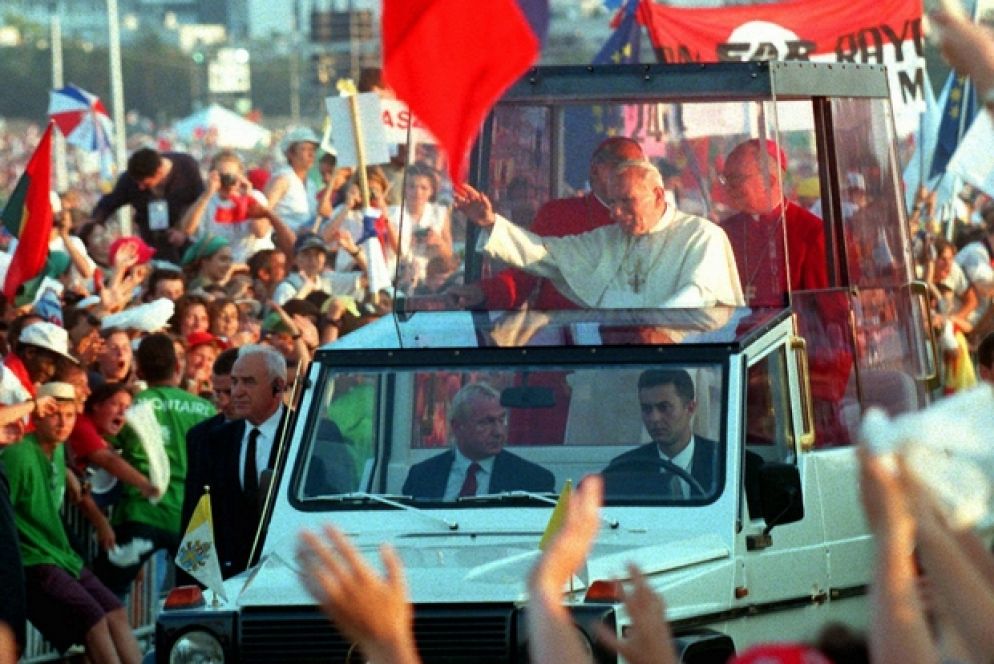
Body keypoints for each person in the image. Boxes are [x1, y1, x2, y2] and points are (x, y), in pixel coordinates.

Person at [456, 160, 743, 309]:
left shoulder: (702, 236)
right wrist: (490, 222)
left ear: (657, 195)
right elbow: (547, 255)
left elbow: (698, 294)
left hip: (675, 369)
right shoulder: (607, 239)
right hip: (610, 369)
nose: (615, 213)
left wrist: (651, 324)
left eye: (626, 201)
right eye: (613, 202)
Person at [1, 382, 142, 664]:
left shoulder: (58, 450)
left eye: (69, 414)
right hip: (33, 560)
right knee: (94, 620)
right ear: (38, 416)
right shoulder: (18, 455)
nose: (63, 422)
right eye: (55, 414)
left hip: (60, 555)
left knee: (115, 611)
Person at [450, 136, 645, 310]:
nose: (632, 174)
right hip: (563, 338)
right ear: (595, 171)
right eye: (623, 165)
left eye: (641, 168)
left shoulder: (653, 218)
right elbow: (524, 275)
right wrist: (483, 293)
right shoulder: (558, 214)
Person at [93, 333, 215, 596]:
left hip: (142, 514)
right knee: (202, 598)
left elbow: (100, 440)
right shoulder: (206, 409)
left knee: (102, 595)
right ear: (178, 367)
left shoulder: (133, 405)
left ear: (139, 369)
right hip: (191, 519)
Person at [197, 345, 288, 578]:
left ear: (278, 387)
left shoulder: (308, 434)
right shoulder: (213, 440)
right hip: (227, 582)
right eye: (234, 381)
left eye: (248, 382)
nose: (236, 392)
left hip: (289, 576)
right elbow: (197, 519)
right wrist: (191, 590)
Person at [719, 139, 828, 306]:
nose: (727, 188)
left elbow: (819, 311)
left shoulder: (812, 233)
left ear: (769, 181)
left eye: (735, 179)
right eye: (725, 180)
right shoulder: (723, 233)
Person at [401, 382, 554, 499]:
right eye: (486, 422)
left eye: (502, 420)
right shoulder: (422, 476)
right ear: (457, 426)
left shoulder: (533, 480)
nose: (498, 432)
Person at [602, 369, 720, 499]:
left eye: (664, 407)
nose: (654, 418)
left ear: (690, 408)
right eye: (647, 409)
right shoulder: (623, 470)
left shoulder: (722, 462)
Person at [90, 146, 205, 263]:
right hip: (151, 245)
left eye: (145, 184)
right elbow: (108, 204)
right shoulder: (130, 179)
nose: (140, 187)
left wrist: (183, 231)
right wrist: (94, 225)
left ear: (159, 172)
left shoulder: (187, 167)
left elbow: (201, 203)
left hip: (185, 243)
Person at [180, 149, 281, 264]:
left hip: (248, 264)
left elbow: (260, 232)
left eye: (231, 176)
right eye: (223, 176)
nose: (227, 181)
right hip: (217, 266)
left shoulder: (255, 197)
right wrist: (208, 193)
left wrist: (248, 198)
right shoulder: (206, 201)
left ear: (241, 176)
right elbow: (187, 231)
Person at [266, 128, 321, 233]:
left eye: (313, 149)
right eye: (305, 149)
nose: (311, 154)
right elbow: (264, 213)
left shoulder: (312, 185)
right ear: (290, 154)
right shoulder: (282, 180)